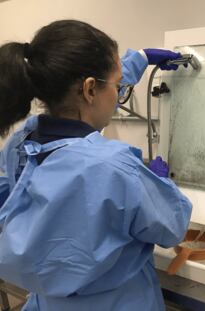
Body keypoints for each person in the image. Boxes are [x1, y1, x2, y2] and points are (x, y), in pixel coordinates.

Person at [0, 19, 192, 311]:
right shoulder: (113, 167)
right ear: (89, 89)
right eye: (118, 86)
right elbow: (172, 228)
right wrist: (159, 184)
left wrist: (138, 59)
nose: (119, 96)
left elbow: (87, 91)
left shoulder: (21, 142)